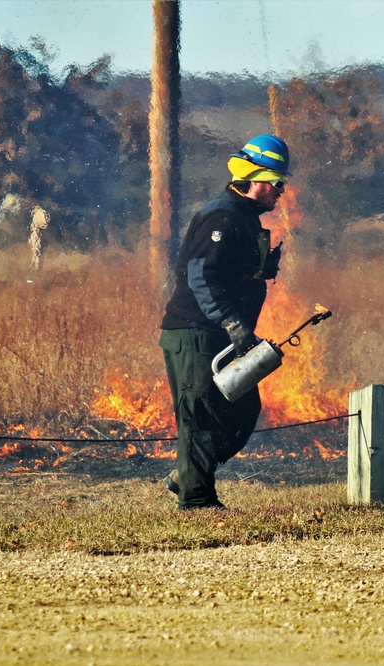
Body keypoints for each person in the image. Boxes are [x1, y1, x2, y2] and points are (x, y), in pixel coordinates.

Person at [159, 133, 291, 510]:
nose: (281, 191)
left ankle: (188, 474)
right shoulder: (223, 215)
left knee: (242, 412)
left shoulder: (245, 219)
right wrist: (232, 322)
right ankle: (197, 501)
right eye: (277, 183)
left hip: (225, 337)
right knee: (201, 416)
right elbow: (202, 276)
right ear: (255, 180)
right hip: (195, 335)